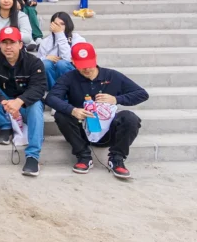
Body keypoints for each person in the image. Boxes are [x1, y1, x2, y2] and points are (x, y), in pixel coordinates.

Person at [45, 43, 148, 178]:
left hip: (108, 131)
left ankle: (117, 158)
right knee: (61, 115)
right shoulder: (69, 77)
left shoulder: (112, 76)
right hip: (82, 130)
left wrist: (116, 99)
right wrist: (73, 110)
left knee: (130, 117)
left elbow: (142, 94)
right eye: (82, 65)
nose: (87, 69)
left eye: (89, 64)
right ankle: (83, 156)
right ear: (73, 62)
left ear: (96, 58)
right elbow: (51, 98)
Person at [0, 29, 48, 176]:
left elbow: (39, 88)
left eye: (12, 43)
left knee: (36, 104)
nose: (8, 47)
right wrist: (3, 101)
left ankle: (33, 156)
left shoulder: (33, 62)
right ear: (0, 44)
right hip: (4, 105)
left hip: (24, 106)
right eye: (4, 42)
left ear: (20, 44)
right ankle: (5, 126)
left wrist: (19, 101)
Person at [38, 12, 85, 88]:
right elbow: (36, 64)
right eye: (56, 24)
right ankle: (55, 93)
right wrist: (45, 58)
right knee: (45, 64)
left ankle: (67, 91)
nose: (59, 27)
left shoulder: (78, 39)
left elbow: (68, 58)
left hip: (72, 74)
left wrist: (60, 35)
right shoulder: (46, 41)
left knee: (62, 64)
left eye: (62, 24)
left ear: (68, 24)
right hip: (52, 78)